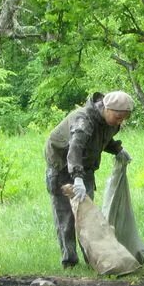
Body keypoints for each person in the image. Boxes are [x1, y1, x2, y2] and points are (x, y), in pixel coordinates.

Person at [45, 91, 134, 268]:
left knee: (88, 216)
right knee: (66, 218)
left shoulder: (110, 121)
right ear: (107, 108)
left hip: (85, 166)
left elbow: (102, 138)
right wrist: (77, 179)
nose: (119, 122)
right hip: (61, 166)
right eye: (118, 117)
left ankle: (93, 260)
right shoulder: (83, 121)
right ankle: (69, 262)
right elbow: (75, 149)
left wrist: (117, 149)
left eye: (123, 119)